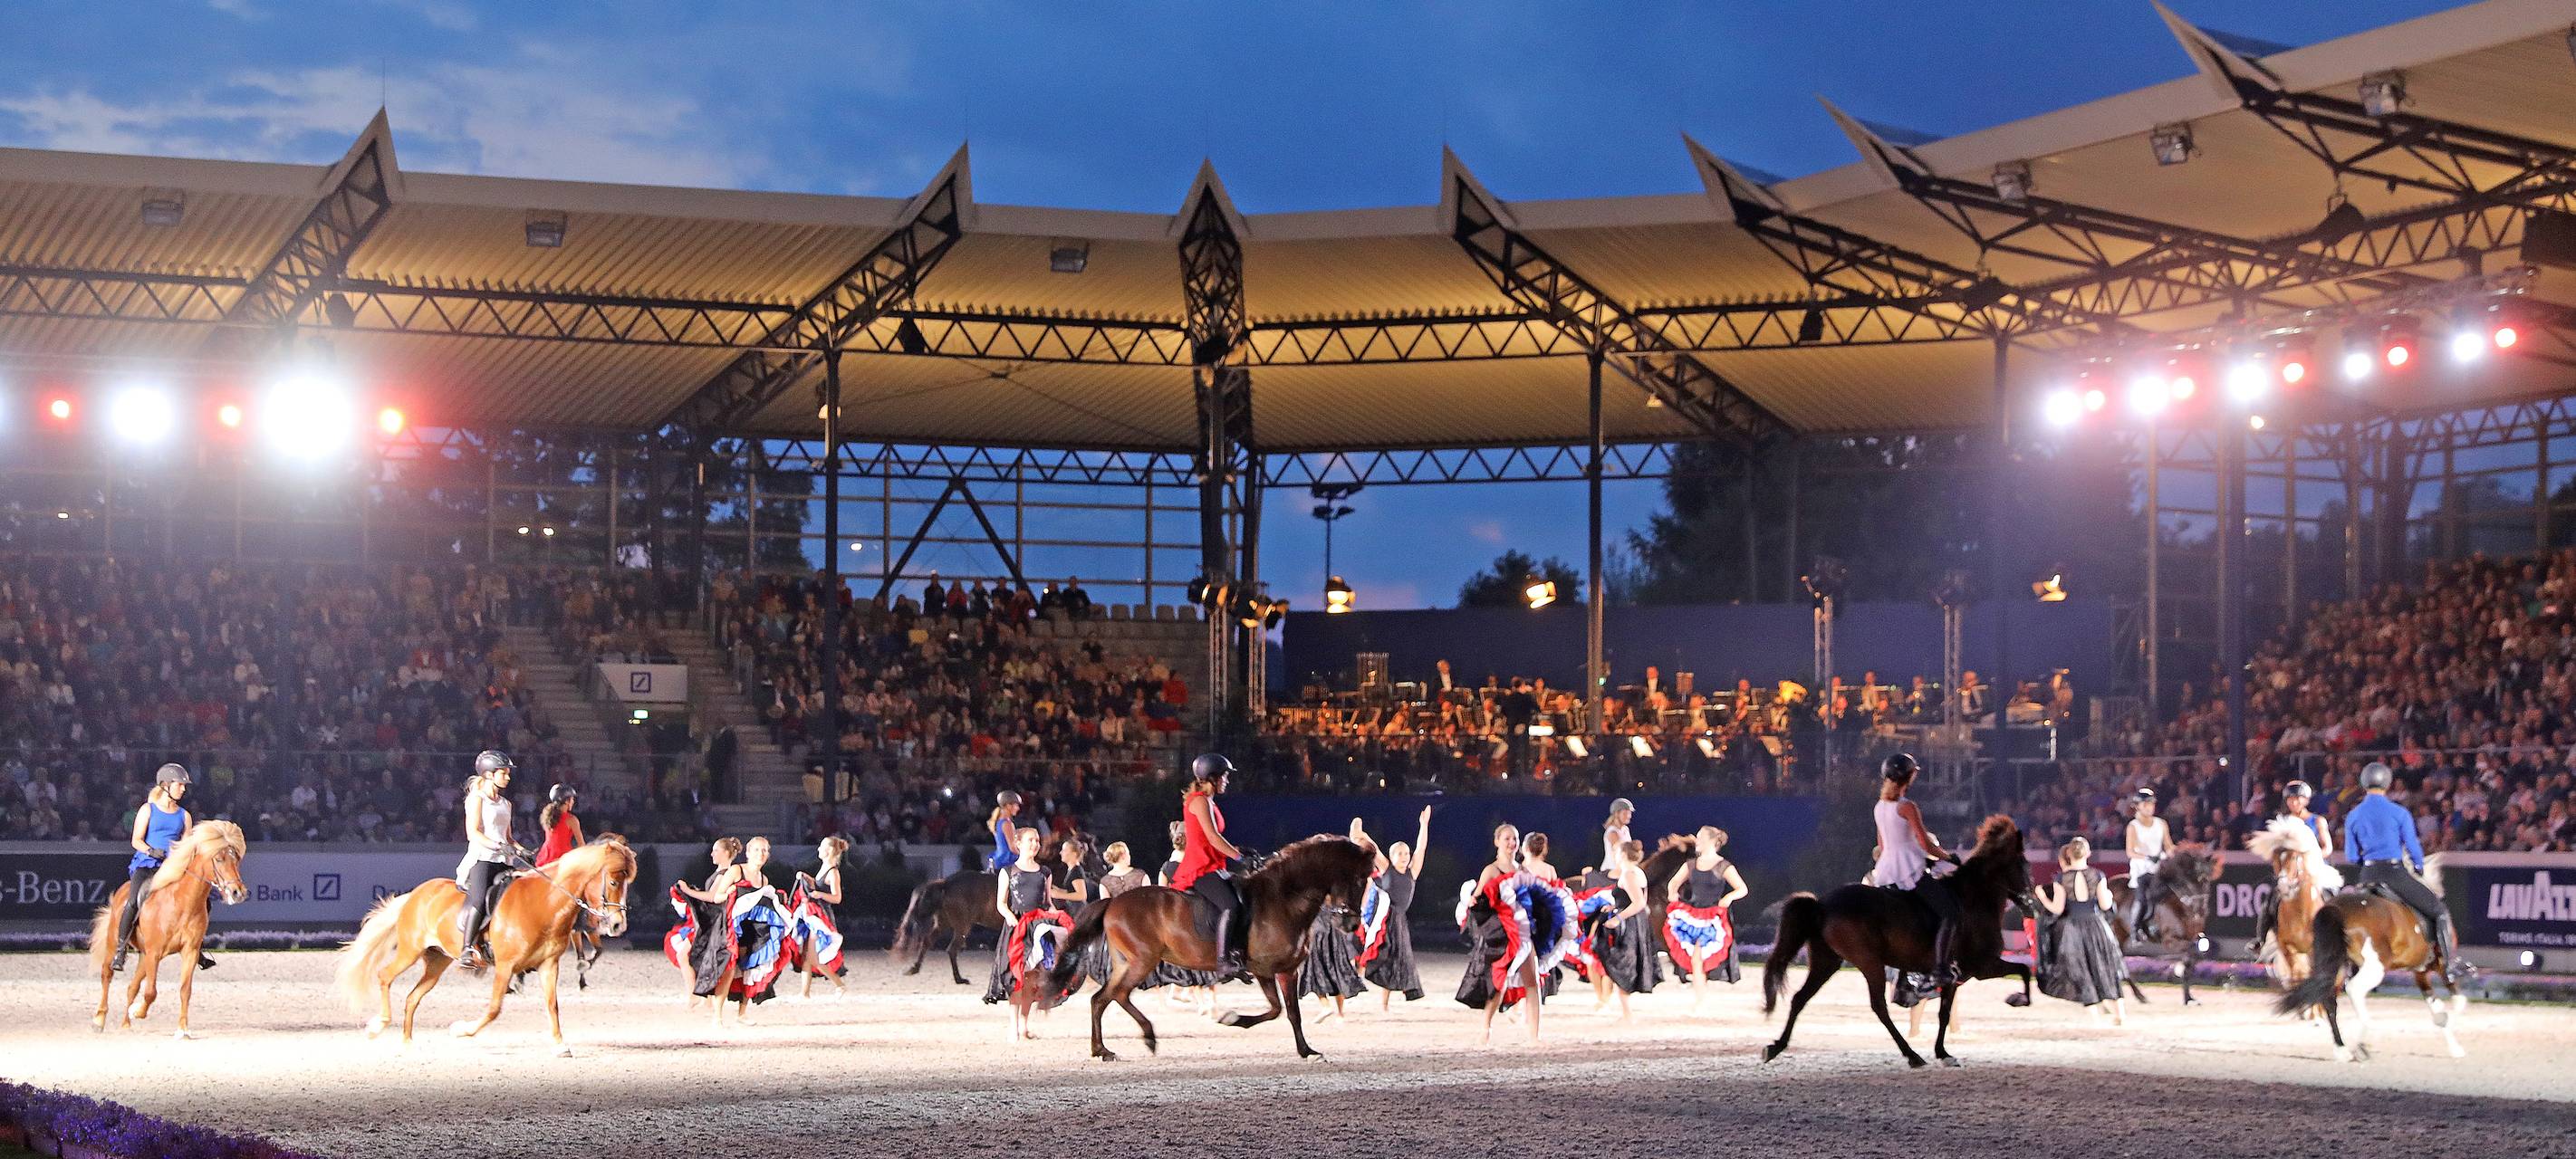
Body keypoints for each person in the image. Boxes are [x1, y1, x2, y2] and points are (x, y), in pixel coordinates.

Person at [2345, 761, 2465, 984]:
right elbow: (2412, 846)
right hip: (2394, 874)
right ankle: (2449, 966)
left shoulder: (2353, 815)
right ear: (2387, 784)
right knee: (2439, 912)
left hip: (2367, 876)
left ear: (2363, 784)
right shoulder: (2399, 812)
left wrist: (2367, 864)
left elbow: (2352, 856)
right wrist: (2418, 865)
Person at [1871, 752, 1962, 984]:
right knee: (1950, 912)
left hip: (1886, 869)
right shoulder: (1907, 807)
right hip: (1908, 869)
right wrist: (1948, 857)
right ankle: (1941, 967)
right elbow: (1925, 843)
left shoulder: (1880, 806)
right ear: (1908, 777)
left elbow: (1882, 845)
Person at [111, 763, 197, 973]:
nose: (184, 789)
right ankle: (121, 949)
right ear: (166, 785)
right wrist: (151, 851)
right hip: (147, 863)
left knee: (198, 898)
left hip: (171, 866)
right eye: (180, 785)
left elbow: (185, 845)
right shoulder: (147, 809)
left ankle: (197, 945)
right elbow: (136, 840)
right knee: (133, 901)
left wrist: (180, 857)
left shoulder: (184, 815)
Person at [985, 828, 1067, 1040]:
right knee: (1016, 980)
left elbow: (1048, 903)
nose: (1035, 844)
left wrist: (1056, 914)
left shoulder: (1045, 872)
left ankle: (1024, 1025)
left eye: (1037, 840)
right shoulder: (1008, 871)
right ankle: (1013, 1026)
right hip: (1017, 928)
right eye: (1031, 840)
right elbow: (1001, 904)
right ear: (1019, 843)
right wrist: (1009, 916)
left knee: (1032, 980)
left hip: (1038, 928)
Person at [2034, 838, 2128, 1023]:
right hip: (2095, 925)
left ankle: (2095, 1016)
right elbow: (2105, 904)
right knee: (2104, 966)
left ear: (2069, 854)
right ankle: (2119, 1014)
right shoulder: (2098, 875)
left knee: (2080, 970)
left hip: (2073, 928)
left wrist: (2042, 897)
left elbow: (2057, 909)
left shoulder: (2061, 878)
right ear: (2088, 854)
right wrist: (2108, 895)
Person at [1172, 753, 1247, 973]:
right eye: (1224, 776)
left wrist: (1242, 852)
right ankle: (1222, 961)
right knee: (1230, 905)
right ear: (1212, 778)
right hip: (1200, 867)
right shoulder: (1200, 801)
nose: (1227, 780)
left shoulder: (1208, 801)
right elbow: (1213, 837)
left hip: (1213, 865)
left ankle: (1236, 949)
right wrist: (1238, 857)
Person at [2250, 780, 2341, 958]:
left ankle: (2341, 938)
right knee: (2270, 900)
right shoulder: (2283, 822)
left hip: (2314, 870)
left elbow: (2327, 848)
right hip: (2290, 873)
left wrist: (2308, 858)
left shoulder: (2317, 820)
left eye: (2298, 799)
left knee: (2333, 899)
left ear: (2306, 800)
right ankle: (2260, 939)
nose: (2294, 802)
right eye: (2291, 799)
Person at [1663, 826, 1748, 1011]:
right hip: (1692, 915)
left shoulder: (1723, 865)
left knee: (1699, 958)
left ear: (1713, 842)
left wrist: (1728, 898)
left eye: (1701, 838)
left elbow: (1742, 889)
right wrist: (1672, 894)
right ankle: (1700, 998)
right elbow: (1674, 882)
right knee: (1696, 959)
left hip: (1713, 917)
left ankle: (1700, 998)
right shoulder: (1691, 864)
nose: (1697, 841)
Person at [453, 751, 521, 972]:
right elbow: (473, 833)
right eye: (504, 773)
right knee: (480, 900)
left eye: (508, 773)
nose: (508, 777)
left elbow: (509, 837)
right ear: (489, 774)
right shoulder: (476, 799)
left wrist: (522, 850)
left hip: (504, 860)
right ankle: (467, 948)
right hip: (482, 858)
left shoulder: (506, 804)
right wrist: (497, 845)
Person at [1360, 806, 1432, 1009]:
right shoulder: (1386, 868)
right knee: (1383, 955)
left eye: (1406, 853)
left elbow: (1421, 848)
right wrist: (1364, 836)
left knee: (1398, 959)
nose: (1404, 856)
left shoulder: (1413, 872)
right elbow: (1374, 850)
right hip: (1385, 919)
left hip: (1400, 921)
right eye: (1399, 853)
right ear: (1391, 857)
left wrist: (1423, 825)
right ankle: (1367, 987)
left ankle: (1387, 1001)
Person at [1299, 819, 1371, 1020]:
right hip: (1331, 925)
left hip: (1321, 924)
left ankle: (1326, 1006)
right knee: (1336, 966)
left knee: (1316, 966)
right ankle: (1338, 1012)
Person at [668, 837, 745, 1006]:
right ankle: (704, 999)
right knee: (700, 959)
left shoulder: (725, 874)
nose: (712, 854)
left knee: (684, 956)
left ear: (726, 853)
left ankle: (694, 994)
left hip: (715, 923)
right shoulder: (720, 873)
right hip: (712, 920)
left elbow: (711, 897)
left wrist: (688, 892)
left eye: (716, 850)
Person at [1589, 838, 1660, 1020]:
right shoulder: (1637, 872)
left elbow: (1638, 903)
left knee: (1621, 963)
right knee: (1623, 963)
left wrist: (1618, 918)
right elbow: (1631, 900)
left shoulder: (1629, 874)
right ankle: (1624, 1010)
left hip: (1629, 925)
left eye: (1616, 852)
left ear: (1622, 854)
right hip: (1636, 922)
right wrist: (1613, 908)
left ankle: (1626, 1012)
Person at [792, 836, 849, 999]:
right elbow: (817, 885)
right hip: (813, 916)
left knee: (813, 958)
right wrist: (807, 878)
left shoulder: (833, 872)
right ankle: (805, 993)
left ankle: (839, 984)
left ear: (829, 851)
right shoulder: (824, 867)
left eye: (821, 847)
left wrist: (819, 894)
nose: (818, 849)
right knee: (808, 957)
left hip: (821, 918)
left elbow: (837, 898)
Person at [2124, 789, 2172, 943]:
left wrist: (2172, 853)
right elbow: (2130, 852)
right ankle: (2135, 929)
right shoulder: (2133, 826)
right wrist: (2147, 857)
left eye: (2151, 804)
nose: (2150, 807)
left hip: (2158, 867)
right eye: (2146, 804)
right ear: (2138, 806)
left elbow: (2168, 845)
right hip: (2141, 868)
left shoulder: (2161, 824)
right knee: (2142, 898)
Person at [534, 783, 583, 867]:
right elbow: (581, 845)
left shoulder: (548, 814)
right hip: (563, 859)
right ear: (567, 801)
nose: (573, 801)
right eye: (572, 799)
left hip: (546, 856)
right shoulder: (572, 819)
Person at [984, 791, 1024, 872]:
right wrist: (1025, 854)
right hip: (1007, 861)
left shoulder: (999, 821)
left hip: (999, 858)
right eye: (1016, 805)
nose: (1018, 808)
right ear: (1008, 805)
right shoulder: (1007, 823)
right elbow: (1012, 847)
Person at [1601, 799, 1635, 876]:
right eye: (1625, 813)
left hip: (1624, 868)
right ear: (1617, 814)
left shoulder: (1626, 829)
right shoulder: (1612, 832)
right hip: (1612, 869)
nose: (1629, 816)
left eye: (1629, 813)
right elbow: (1619, 853)